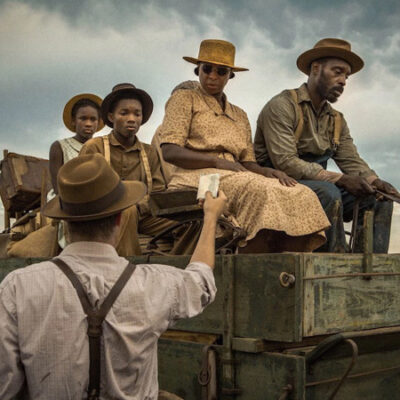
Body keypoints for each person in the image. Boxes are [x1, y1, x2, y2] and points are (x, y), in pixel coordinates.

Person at [0, 153, 226, 400]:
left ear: (64, 223)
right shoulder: (153, 284)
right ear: (120, 218)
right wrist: (210, 218)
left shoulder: (17, 287)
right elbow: (201, 281)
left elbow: (7, 386)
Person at [159, 39, 330, 253]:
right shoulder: (185, 99)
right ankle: (250, 258)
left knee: (301, 192)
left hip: (235, 175)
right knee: (261, 191)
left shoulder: (239, 114)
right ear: (198, 70)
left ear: (230, 75)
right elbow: (170, 151)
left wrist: (269, 172)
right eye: (207, 69)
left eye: (221, 71)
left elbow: (247, 162)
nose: (212, 76)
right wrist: (217, 162)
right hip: (197, 176)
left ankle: (287, 258)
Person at [254, 38, 398, 252]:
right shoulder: (282, 106)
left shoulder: (336, 119)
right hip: (277, 183)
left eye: (346, 76)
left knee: (378, 199)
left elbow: (351, 160)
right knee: (329, 193)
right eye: (337, 72)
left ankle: (369, 265)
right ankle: (333, 261)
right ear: (316, 69)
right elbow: (285, 162)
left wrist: (375, 181)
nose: (343, 81)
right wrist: (341, 179)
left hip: (317, 184)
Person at [80, 83, 190, 256]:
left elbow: (158, 191)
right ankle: (128, 265)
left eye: (137, 114)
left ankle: (175, 265)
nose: (131, 119)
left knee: (191, 225)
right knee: (127, 210)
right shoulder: (94, 147)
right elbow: (85, 192)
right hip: (103, 218)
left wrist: (140, 205)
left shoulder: (150, 152)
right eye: (124, 113)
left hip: (143, 215)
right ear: (111, 116)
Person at [49, 93, 104, 193]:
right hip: (65, 198)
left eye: (93, 119)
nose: (88, 124)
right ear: (73, 121)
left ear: (98, 122)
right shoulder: (60, 147)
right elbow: (57, 186)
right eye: (83, 118)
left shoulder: (102, 149)